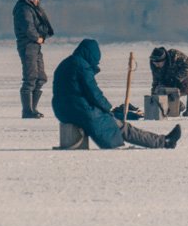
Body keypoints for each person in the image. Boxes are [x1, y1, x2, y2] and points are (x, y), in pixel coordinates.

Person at [52, 39, 181, 149]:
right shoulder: (82, 66)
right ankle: (164, 141)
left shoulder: (67, 63)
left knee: (118, 124)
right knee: (121, 126)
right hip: (81, 110)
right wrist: (107, 108)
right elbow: (93, 92)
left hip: (62, 111)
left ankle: (162, 140)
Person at [12, 0, 54, 119]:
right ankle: (27, 111)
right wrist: (37, 37)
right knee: (30, 78)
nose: (37, 2)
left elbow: (40, 26)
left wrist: (42, 36)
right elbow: (28, 27)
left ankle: (33, 109)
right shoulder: (24, 9)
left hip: (36, 46)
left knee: (41, 77)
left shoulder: (34, 9)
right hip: (28, 45)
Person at [149, 46, 188, 117]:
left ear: (164, 60)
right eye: (154, 63)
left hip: (187, 78)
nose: (156, 65)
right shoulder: (154, 64)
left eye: (158, 63)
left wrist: (177, 79)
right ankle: (178, 106)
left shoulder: (175, 55)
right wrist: (154, 96)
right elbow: (156, 80)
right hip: (170, 80)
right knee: (160, 88)